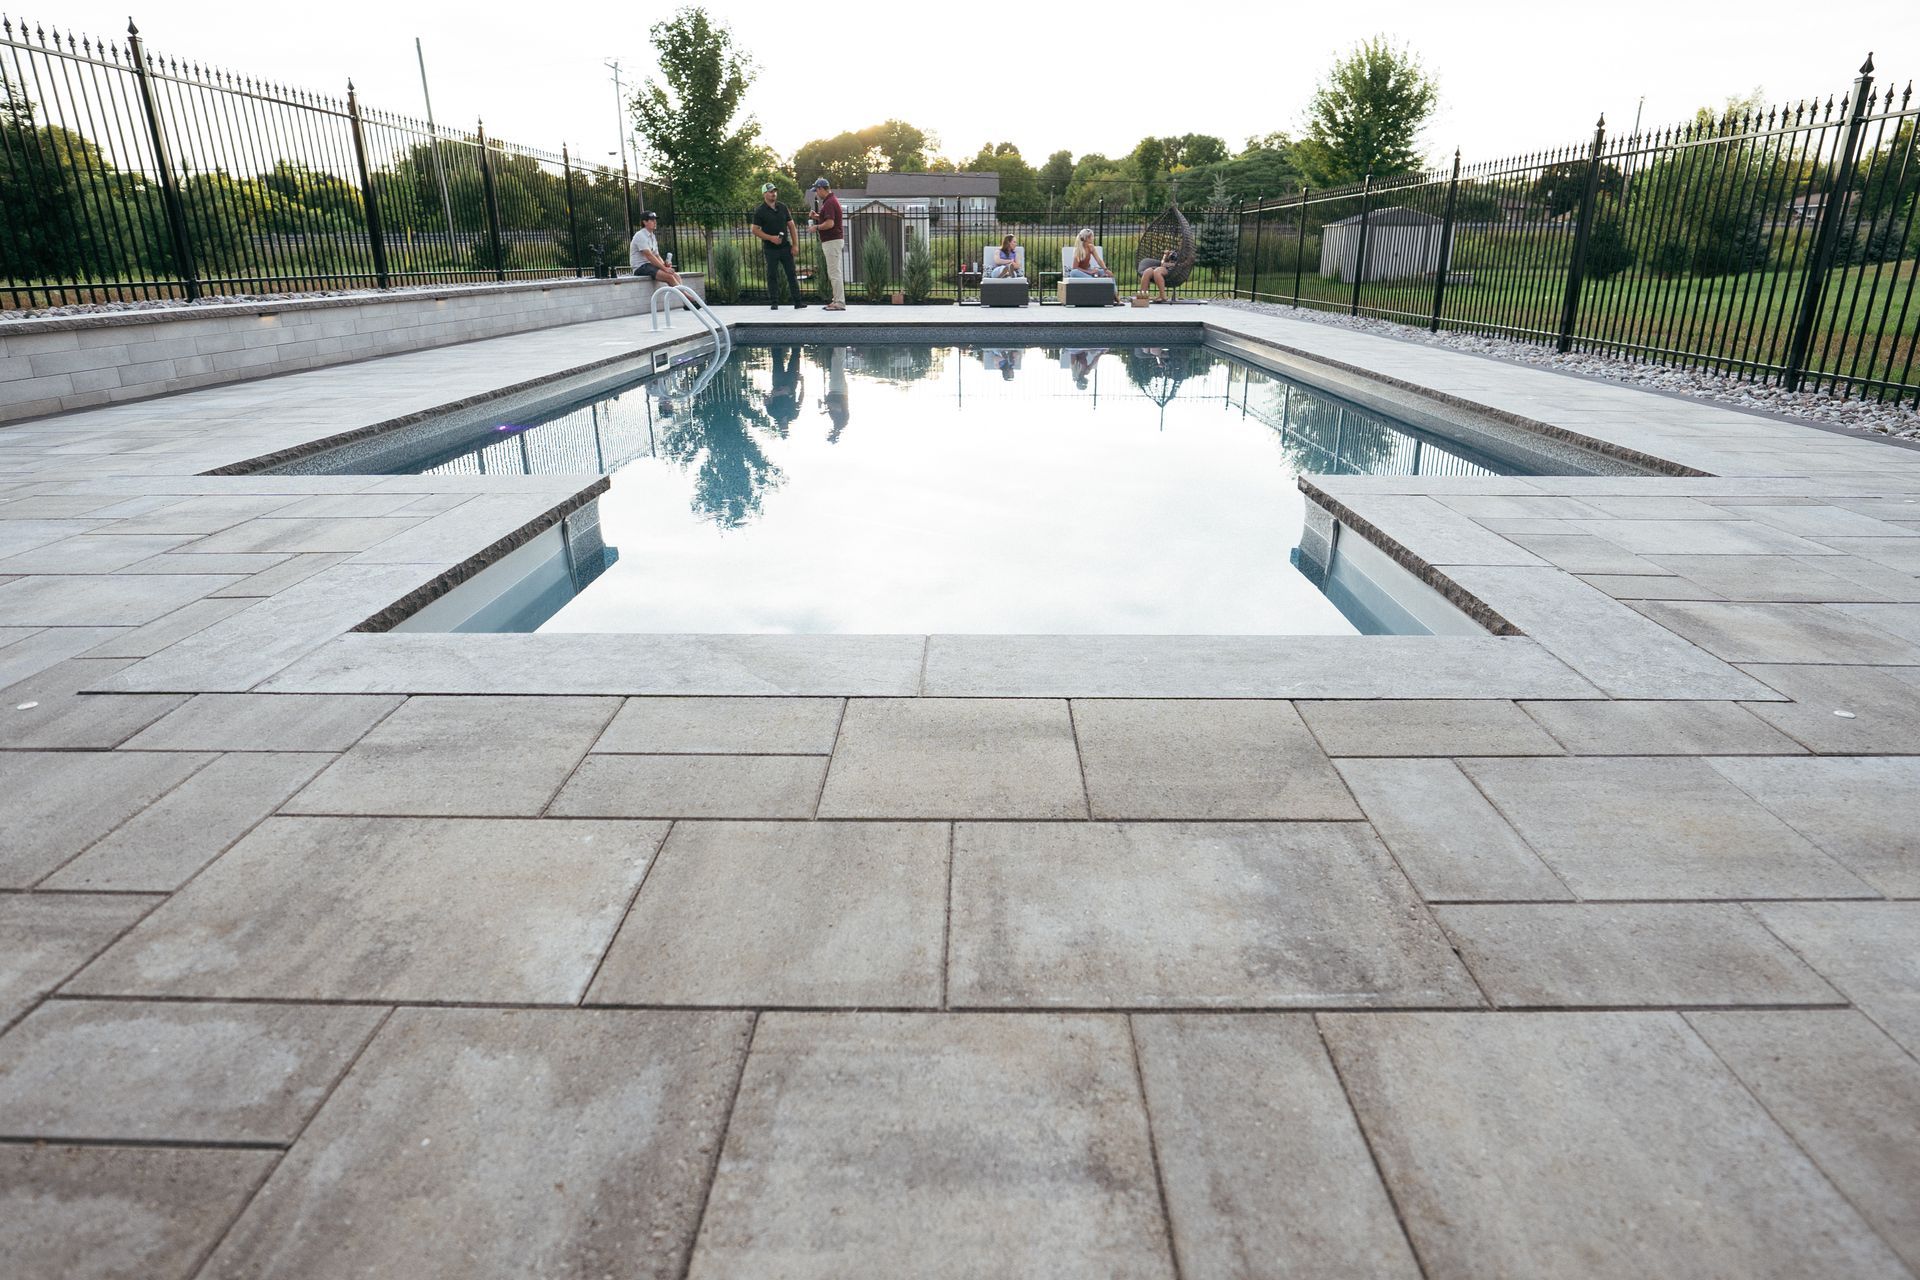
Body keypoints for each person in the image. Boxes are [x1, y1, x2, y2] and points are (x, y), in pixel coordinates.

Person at [750, 182, 806, 311]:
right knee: (772, 275)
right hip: (770, 249)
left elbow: (791, 226)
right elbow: (754, 230)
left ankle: (798, 302)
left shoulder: (782, 207)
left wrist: (795, 245)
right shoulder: (760, 211)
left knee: (791, 273)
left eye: (775, 191)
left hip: (785, 247)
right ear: (764, 194)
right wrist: (771, 238)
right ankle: (774, 302)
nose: (773, 193)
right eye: (770, 191)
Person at [806, 177, 847, 311]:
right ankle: (836, 300)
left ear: (821, 189)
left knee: (834, 272)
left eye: (817, 191)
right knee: (834, 272)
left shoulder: (829, 202)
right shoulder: (830, 201)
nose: (816, 194)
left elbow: (830, 223)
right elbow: (829, 219)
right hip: (833, 241)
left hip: (832, 241)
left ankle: (839, 302)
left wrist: (816, 227)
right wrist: (817, 217)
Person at [628, 211, 680, 287]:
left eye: (655, 220)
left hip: (649, 266)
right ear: (645, 222)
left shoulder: (652, 236)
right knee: (669, 277)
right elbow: (649, 256)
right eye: (652, 220)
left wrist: (665, 265)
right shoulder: (640, 235)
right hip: (641, 267)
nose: (655, 222)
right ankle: (690, 298)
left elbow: (657, 255)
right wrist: (665, 269)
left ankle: (685, 297)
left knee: (676, 276)